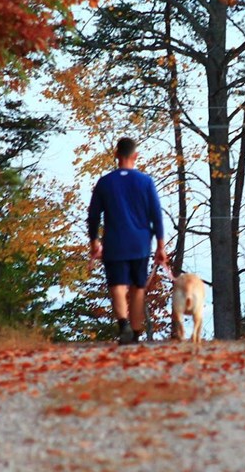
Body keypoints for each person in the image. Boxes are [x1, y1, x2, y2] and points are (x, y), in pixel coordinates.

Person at [87, 137, 168, 345]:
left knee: (117, 285)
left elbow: (93, 214)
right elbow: (156, 215)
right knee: (138, 287)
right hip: (140, 244)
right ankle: (136, 332)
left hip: (114, 243)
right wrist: (160, 245)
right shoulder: (145, 182)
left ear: (116, 155)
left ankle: (123, 324)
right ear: (135, 156)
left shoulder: (104, 182)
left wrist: (94, 241)